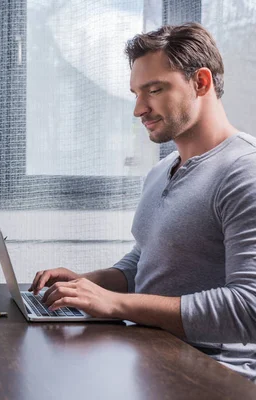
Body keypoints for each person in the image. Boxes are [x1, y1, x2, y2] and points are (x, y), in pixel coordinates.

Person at [29, 23, 256, 381]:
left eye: (154, 90)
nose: (138, 109)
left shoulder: (246, 172)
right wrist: (89, 286)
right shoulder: (163, 170)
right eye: (136, 93)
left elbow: (249, 310)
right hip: (149, 355)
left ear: (201, 82)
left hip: (214, 372)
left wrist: (116, 304)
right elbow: (147, 262)